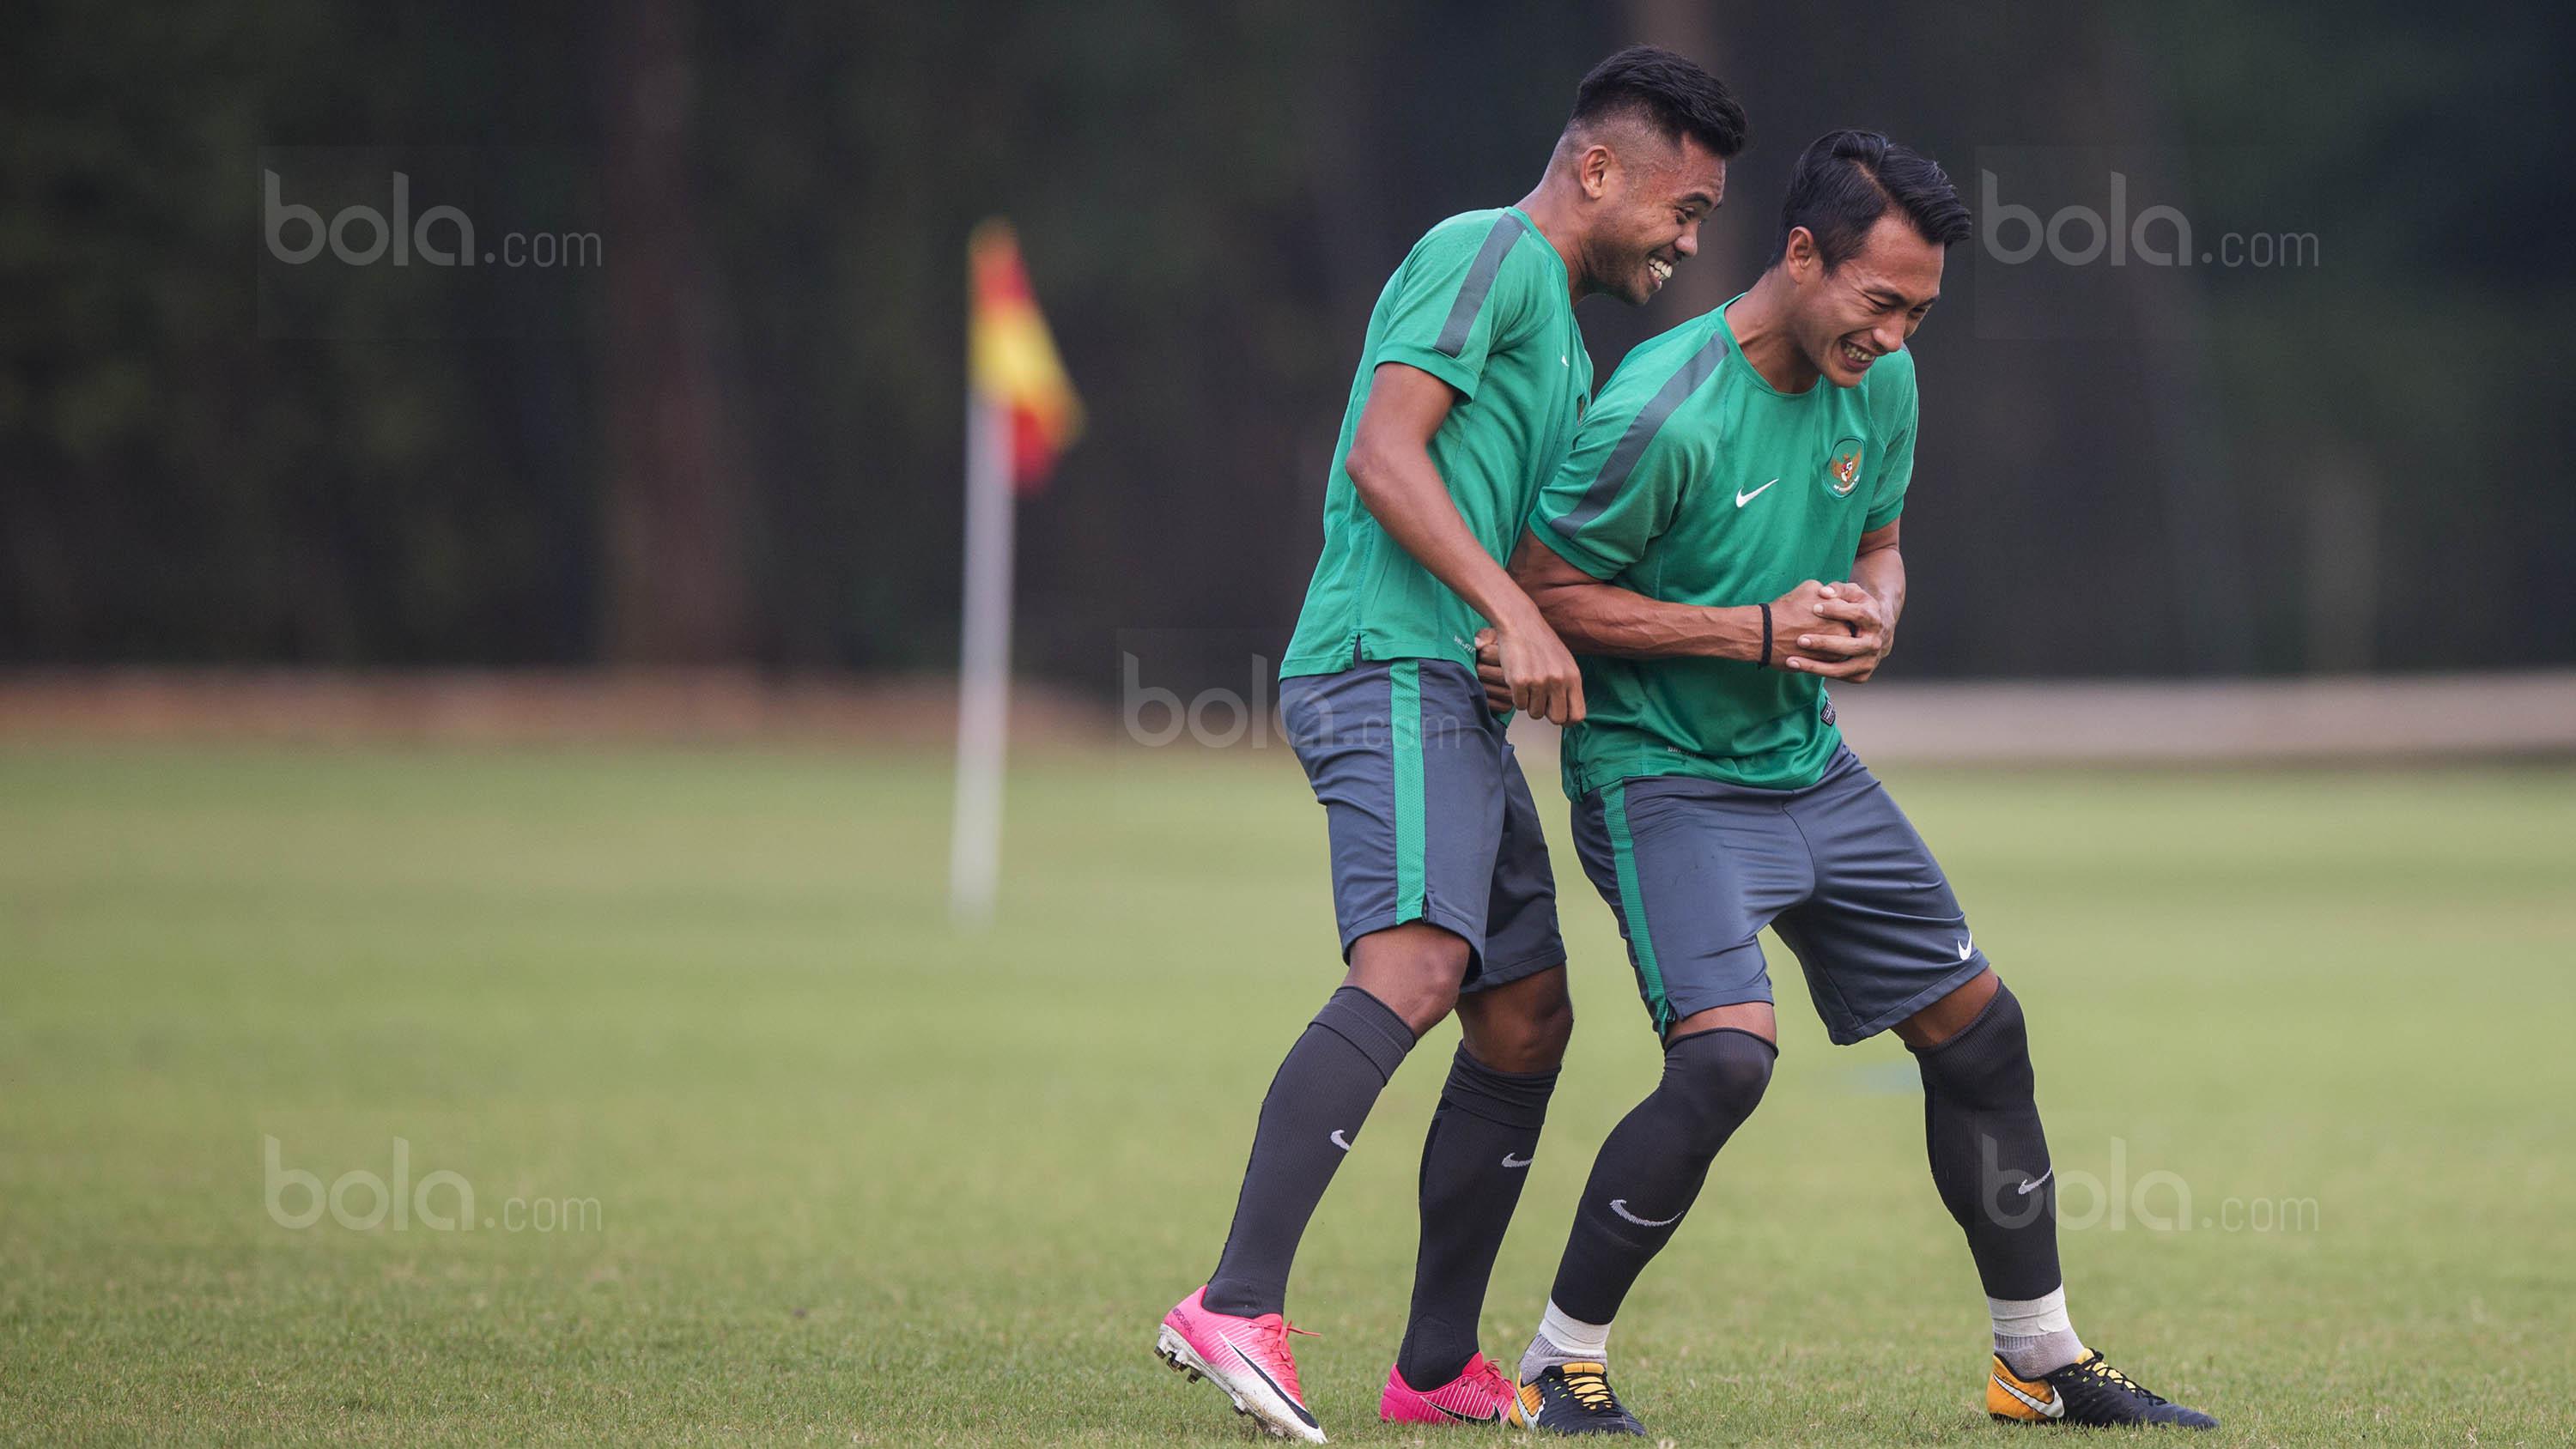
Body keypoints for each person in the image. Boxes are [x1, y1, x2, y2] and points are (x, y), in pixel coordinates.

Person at [1487, 130, 2219, 1435]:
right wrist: (1753, 632)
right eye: (1879, 303)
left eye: (1922, 313)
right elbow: (1543, 595)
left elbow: (1881, 546)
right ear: (1802, 254)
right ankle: (1557, 1363)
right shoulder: (1663, 406)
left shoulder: (1883, 385)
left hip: (1808, 765)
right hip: (1660, 774)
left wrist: (1875, 615)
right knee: (1723, 1065)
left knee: (1984, 1036)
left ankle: (2036, 1360)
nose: (1893, 336)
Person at [1151, 47, 1748, 1444]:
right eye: (1685, 204)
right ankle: (1234, 1302)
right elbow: (1383, 449)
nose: (1686, 239)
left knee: (1527, 1011)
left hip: (1455, 693)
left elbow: (1532, 554)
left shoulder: (1560, 331)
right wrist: (1505, 614)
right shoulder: (1484, 253)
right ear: (1597, 170)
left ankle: (1432, 1371)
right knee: (1417, 963)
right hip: (1386, 663)